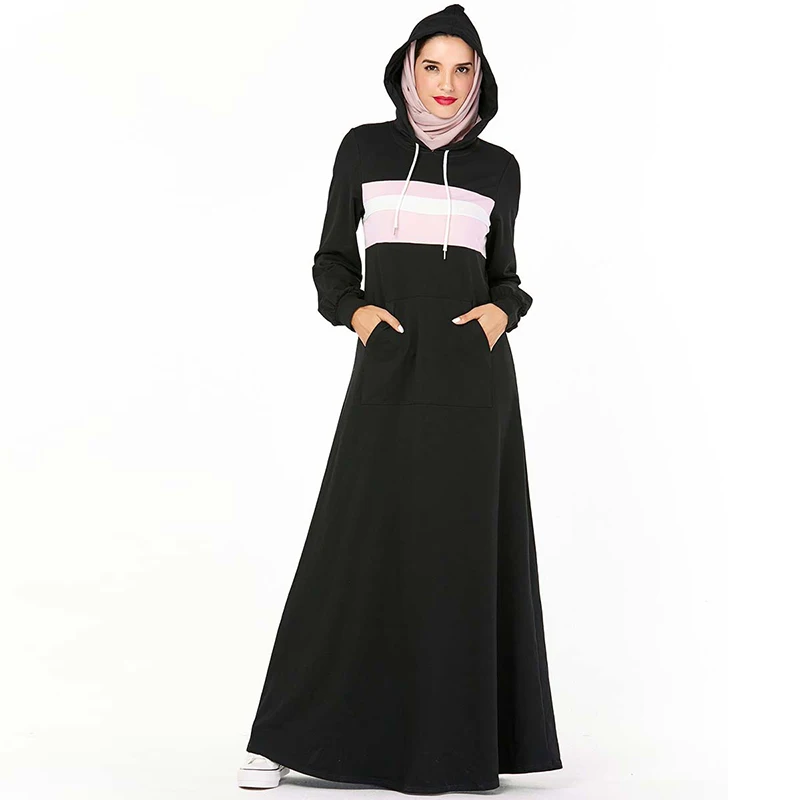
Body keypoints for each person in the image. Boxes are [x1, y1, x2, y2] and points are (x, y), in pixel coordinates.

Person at [238, 3, 563, 793]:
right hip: (388, 375)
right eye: (432, 66)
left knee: (459, 555)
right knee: (350, 545)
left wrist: (503, 312)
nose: (446, 83)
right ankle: (287, 736)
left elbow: (506, 276)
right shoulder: (364, 149)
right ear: (408, 69)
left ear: (479, 77)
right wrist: (356, 314)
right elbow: (330, 260)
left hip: (473, 387)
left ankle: (453, 747)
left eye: (462, 69)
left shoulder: (499, 168)